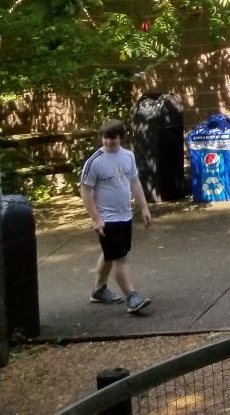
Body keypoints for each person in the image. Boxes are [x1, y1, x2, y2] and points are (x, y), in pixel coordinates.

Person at [80, 119, 154, 314]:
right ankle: (132, 296)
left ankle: (99, 289)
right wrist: (96, 218)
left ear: (120, 137)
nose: (108, 142)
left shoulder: (128, 156)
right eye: (105, 138)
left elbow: (135, 182)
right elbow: (86, 191)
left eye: (112, 138)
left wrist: (144, 208)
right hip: (107, 218)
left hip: (124, 215)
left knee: (110, 253)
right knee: (120, 257)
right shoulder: (94, 161)